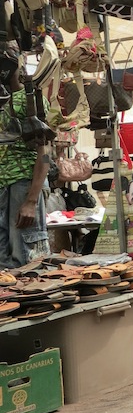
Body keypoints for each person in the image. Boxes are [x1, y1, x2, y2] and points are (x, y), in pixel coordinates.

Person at [0, 43, 51, 269]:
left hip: (24, 184)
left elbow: (46, 152)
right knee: (4, 263)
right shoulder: (4, 100)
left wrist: (32, 200)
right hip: (3, 187)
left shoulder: (30, 100)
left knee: (27, 259)